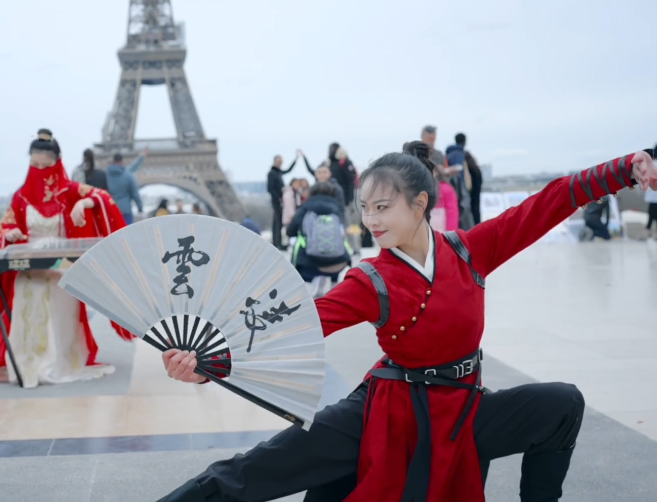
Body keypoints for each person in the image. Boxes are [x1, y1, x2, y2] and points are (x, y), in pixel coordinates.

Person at [158, 142, 657, 502]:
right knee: (257, 469)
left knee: (561, 404)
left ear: (420, 204)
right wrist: (210, 363)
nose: (371, 221)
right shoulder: (371, 277)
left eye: (383, 207)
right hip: (387, 412)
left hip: (461, 412)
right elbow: (302, 322)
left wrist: (623, 168)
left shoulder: (469, 251)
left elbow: (547, 204)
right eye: (365, 209)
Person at [0, 134, 135, 388]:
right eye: (35, 166)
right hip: (30, 264)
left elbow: (104, 199)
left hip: (60, 264)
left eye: (46, 166)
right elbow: (6, 226)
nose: (40, 171)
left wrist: (84, 203)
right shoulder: (21, 198)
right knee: (27, 288)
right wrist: (11, 233)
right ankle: (27, 362)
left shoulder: (70, 192)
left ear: (58, 163)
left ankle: (57, 360)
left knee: (57, 287)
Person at [287, 181, 351, 295]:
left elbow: (291, 230)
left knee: (303, 249)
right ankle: (334, 285)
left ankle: (314, 288)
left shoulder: (306, 208)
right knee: (332, 259)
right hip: (338, 261)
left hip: (311, 262)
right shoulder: (336, 209)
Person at [268, 153, 300, 249]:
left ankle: (278, 241)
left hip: (280, 200)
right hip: (277, 200)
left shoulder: (278, 172)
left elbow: (288, 170)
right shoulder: (272, 173)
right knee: (278, 222)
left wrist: (295, 159)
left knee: (278, 222)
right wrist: (279, 197)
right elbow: (270, 188)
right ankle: (277, 242)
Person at [106, 153, 144, 225]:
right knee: (127, 234)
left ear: (113, 161)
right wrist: (140, 208)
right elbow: (135, 194)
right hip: (126, 210)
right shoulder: (128, 175)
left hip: (111, 210)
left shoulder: (106, 175)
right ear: (122, 162)